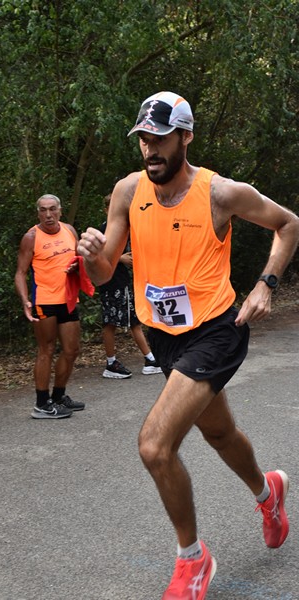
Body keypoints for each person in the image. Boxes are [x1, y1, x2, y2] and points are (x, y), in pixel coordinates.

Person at [77, 91, 299, 599]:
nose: (150, 150)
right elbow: (106, 269)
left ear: (186, 136)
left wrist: (266, 282)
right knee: (220, 434)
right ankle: (269, 493)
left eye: (160, 139)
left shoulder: (221, 193)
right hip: (163, 334)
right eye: (144, 141)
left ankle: (193, 559)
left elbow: (288, 224)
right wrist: (91, 257)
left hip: (216, 331)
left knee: (156, 446)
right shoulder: (127, 192)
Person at [15, 193, 86, 419]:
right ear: (38, 213)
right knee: (46, 350)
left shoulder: (69, 230)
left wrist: (77, 269)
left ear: (60, 211)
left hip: (68, 299)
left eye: (52, 209)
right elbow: (20, 273)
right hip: (44, 301)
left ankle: (58, 396)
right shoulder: (31, 237)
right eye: (43, 210)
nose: (48, 214)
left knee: (72, 350)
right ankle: (41, 404)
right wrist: (25, 300)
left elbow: (77, 260)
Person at [99, 193, 162, 378]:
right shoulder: (104, 230)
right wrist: (120, 259)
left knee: (132, 319)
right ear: (106, 210)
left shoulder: (128, 228)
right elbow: (96, 256)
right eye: (112, 207)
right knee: (114, 322)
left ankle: (148, 359)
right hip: (111, 283)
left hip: (125, 281)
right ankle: (115, 363)